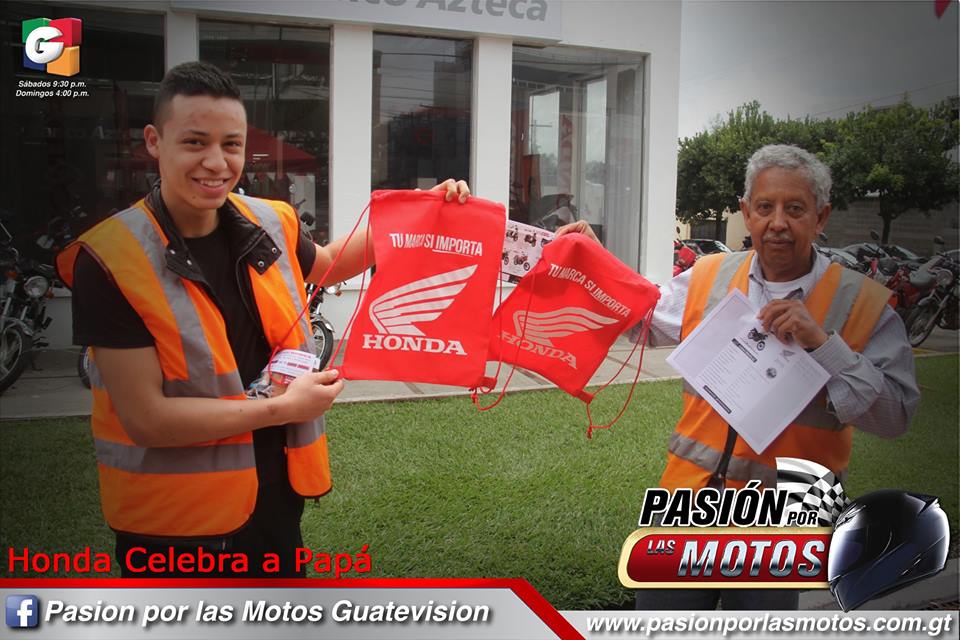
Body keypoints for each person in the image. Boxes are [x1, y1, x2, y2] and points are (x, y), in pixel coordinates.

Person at [56, 61, 471, 577]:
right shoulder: (111, 259)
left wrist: (423, 211)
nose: (216, 162)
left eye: (231, 144)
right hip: (174, 524)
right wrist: (281, 409)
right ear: (154, 142)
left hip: (273, 495)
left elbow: (329, 262)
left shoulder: (268, 220)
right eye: (195, 142)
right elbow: (147, 419)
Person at [557, 144, 919, 610]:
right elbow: (641, 315)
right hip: (687, 503)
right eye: (765, 207)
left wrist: (823, 345)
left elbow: (896, 416)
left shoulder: (862, 304)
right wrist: (591, 258)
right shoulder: (708, 274)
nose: (778, 222)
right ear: (746, 213)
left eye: (795, 208)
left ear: (821, 216)